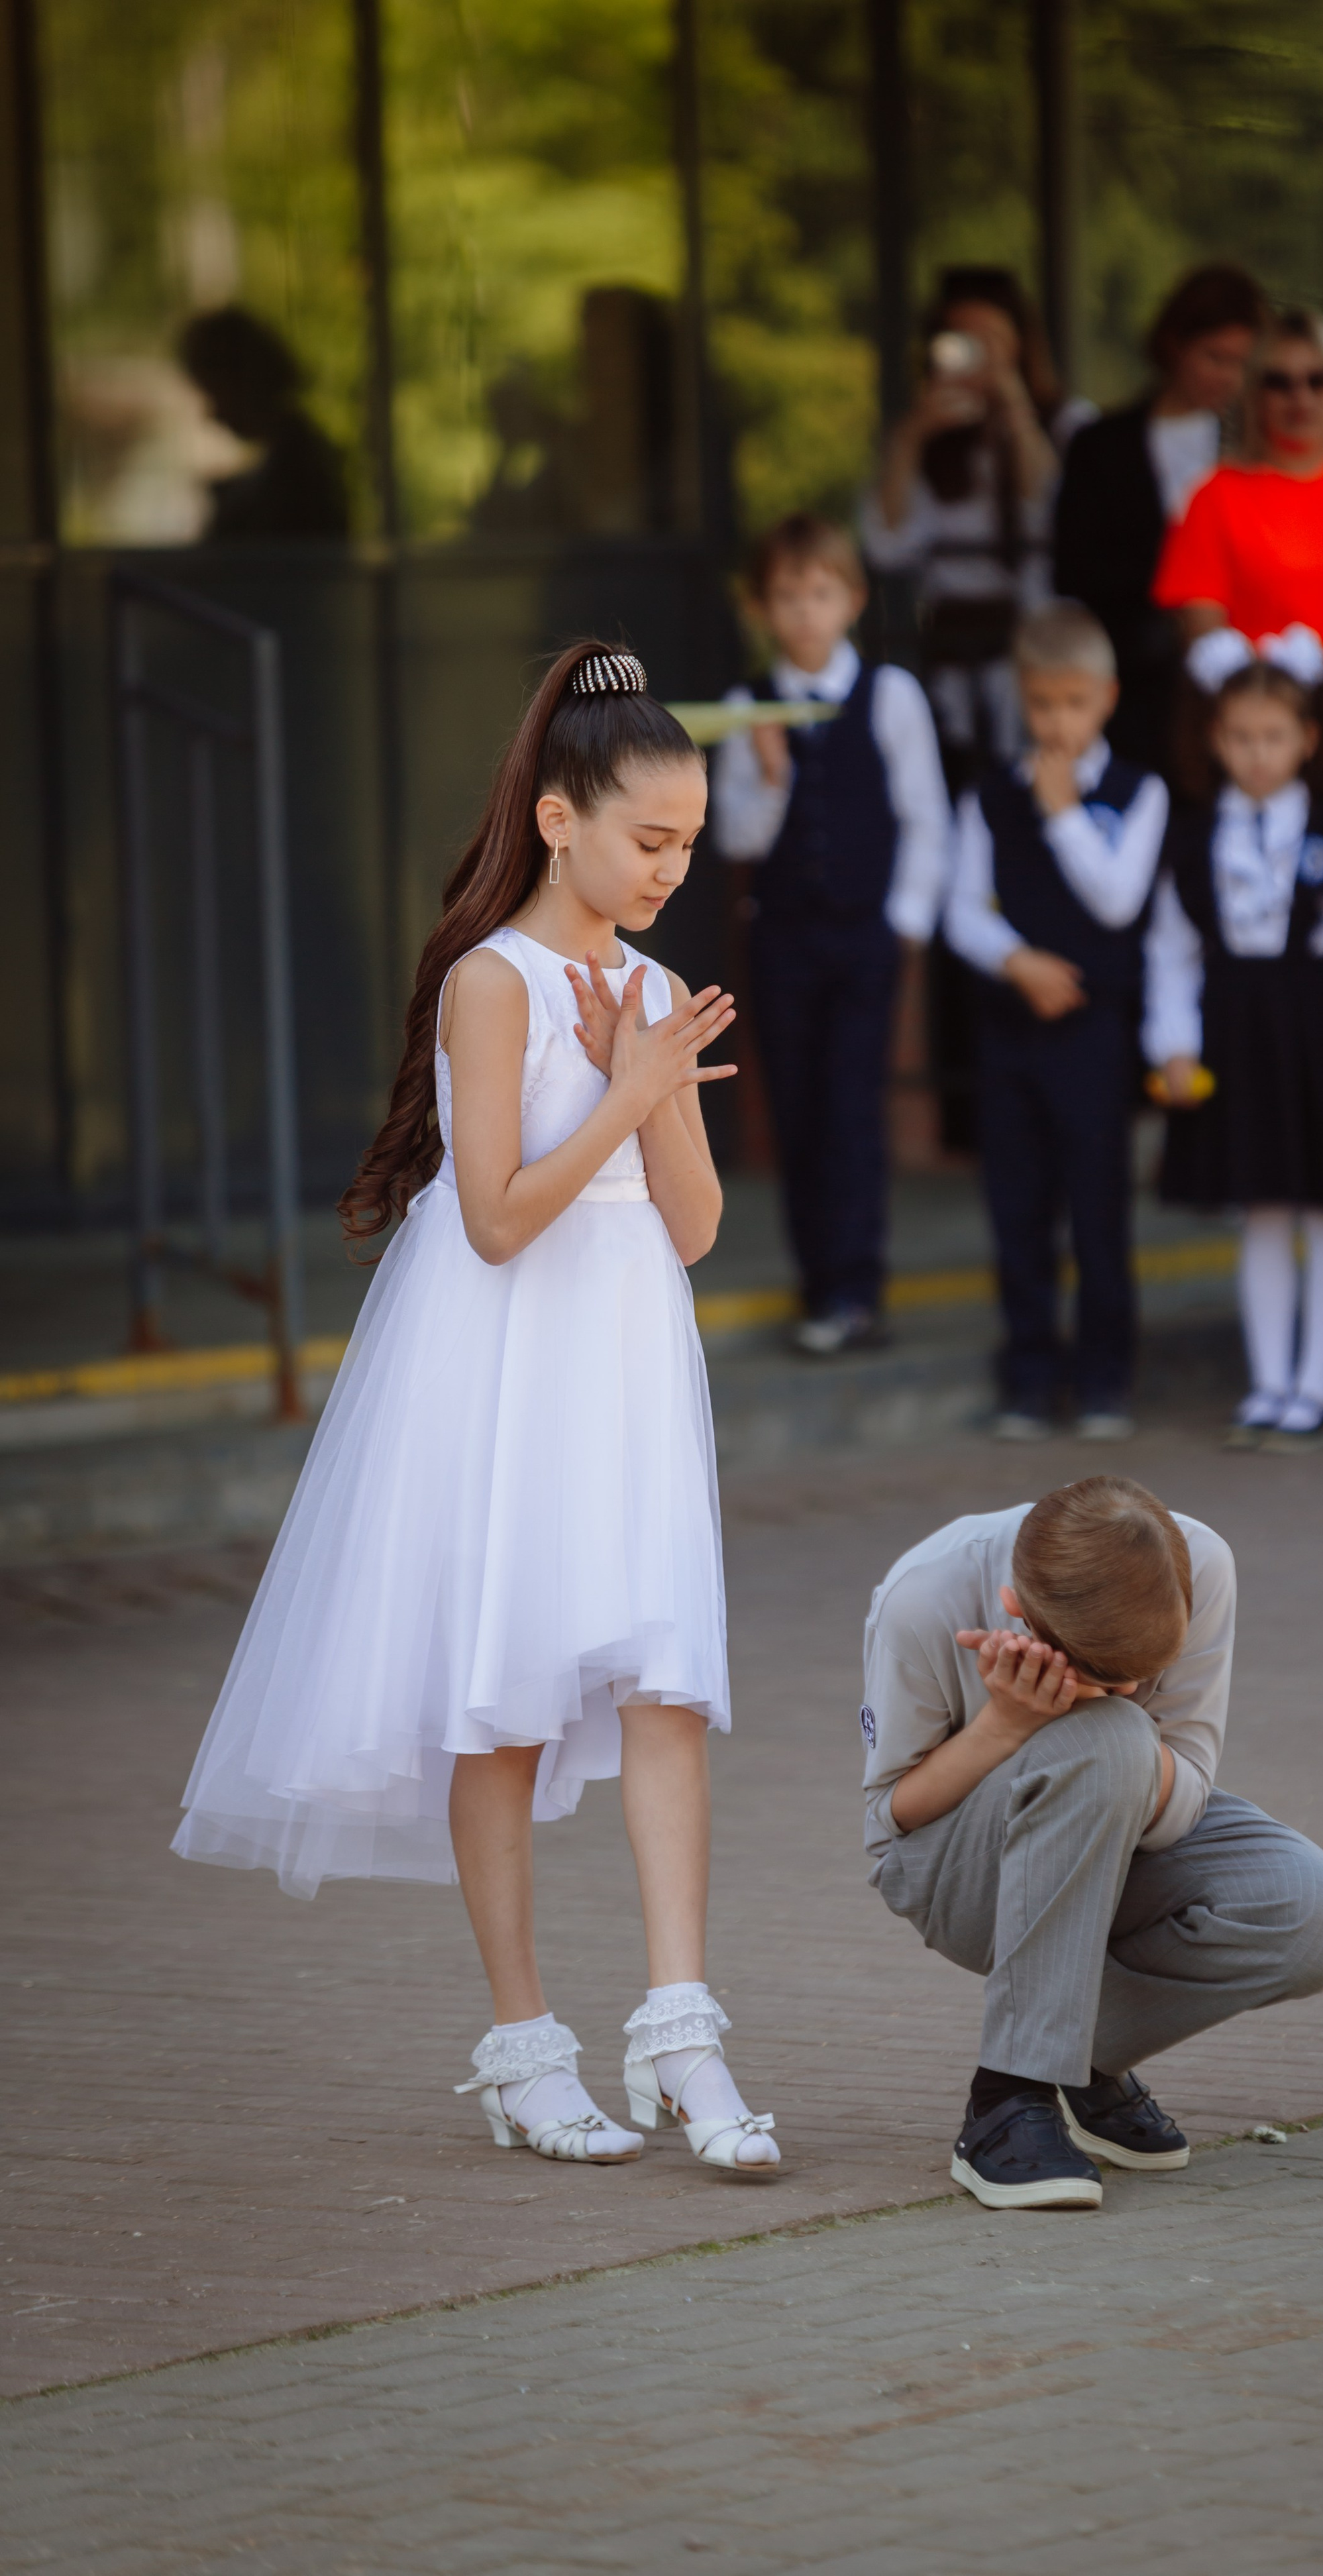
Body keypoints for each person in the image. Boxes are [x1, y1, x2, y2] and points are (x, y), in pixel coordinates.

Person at [173, 643, 784, 2179]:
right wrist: (631, 1092)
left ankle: (682, 2031)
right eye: (649, 837)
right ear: (561, 817)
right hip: (510, 1366)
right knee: (498, 1705)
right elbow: (498, 1216)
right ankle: (522, 2045)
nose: (669, 868)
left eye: (690, 842)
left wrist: (657, 1082)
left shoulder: (650, 989)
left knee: (664, 1684)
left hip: (631, 1362)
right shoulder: (488, 983)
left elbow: (697, 1227)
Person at [860, 1474, 1323, 2212]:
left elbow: (1186, 1788)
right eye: (1113, 1677)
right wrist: (1007, 1724)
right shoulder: (926, 1594)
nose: (1132, 1692)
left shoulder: (1201, 1565)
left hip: (1132, 1828)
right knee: (1108, 1736)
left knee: (1317, 1916)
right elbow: (890, 1821)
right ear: (1016, 1608)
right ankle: (1005, 2102)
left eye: (1144, 1678)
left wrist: (1108, 1723)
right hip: (960, 1876)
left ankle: (1069, 2064)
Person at [712, 514, 949, 1356]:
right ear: (760, 608)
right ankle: (818, 1285)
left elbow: (926, 816)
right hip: (783, 941)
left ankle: (859, 1288)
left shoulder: (891, 696)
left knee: (853, 1109)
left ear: (850, 599)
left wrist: (904, 925)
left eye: (820, 594)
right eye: (786, 597)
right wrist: (771, 776)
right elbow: (736, 838)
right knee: (798, 1111)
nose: (805, 613)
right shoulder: (747, 708)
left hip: (863, 941)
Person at [943, 602, 1169, 1438]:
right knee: (1017, 1206)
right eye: (1042, 705)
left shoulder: (1138, 793)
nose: (1058, 722)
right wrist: (1016, 962)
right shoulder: (989, 795)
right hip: (1010, 1033)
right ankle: (1029, 1378)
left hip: (1095, 1038)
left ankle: (1107, 1379)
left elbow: (1117, 901)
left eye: (1074, 704)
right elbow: (961, 909)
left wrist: (1066, 810)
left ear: (1106, 698)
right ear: (1021, 699)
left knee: (1097, 1206)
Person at [1146, 633, 1323, 1450]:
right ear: (1215, 738)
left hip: (1314, 1028)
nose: (1257, 754)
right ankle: (1271, 1383)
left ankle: (1317, 1386)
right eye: (1240, 737)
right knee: (1264, 1206)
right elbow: (1170, 951)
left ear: (1308, 740)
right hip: (1235, 1030)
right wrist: (1173, 1045)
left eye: (1274, 737)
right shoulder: (1194, 832)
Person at [1152, 309, 1323, 730]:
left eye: (1319, 380)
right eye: (1279, 383)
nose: (1300, 398)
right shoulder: (1213, 496)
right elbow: (1203, 633)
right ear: (1254, 395)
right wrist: (1286, 707)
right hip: (1260, 733)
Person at [863, 266, 1093, 780]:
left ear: (1021, 344)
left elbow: (1062, 514)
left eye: (990, 339)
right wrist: (912, 437)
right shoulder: (924, 437)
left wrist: (1015, 412)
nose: (976, 353)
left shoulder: (1067, 424)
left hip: (1037, 649)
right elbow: (888, 545)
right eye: (961, 339)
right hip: (949, 653)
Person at [1054, 264, 1268, 769]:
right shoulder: (1101, 446)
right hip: (1137, 685)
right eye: (1215, 358)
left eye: (1242, 363)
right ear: (1175, 345)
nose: (1228, 378)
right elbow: (1075, 567)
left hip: (1246, 683)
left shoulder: (1256, 450)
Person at [178, 305, 349, 540]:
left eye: (213, 392)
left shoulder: (296, 473)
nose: (211, 415)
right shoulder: (296, 457)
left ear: (241, 381)